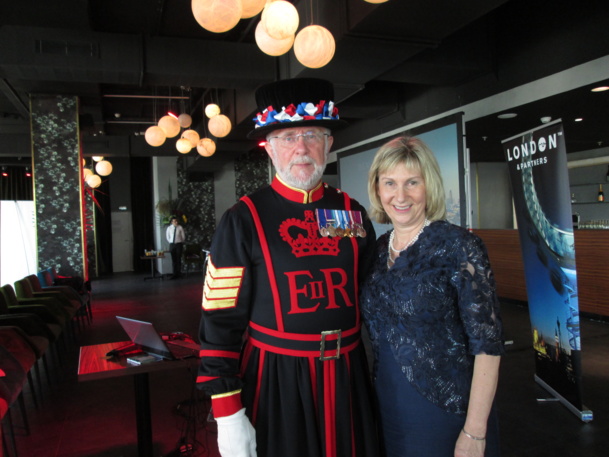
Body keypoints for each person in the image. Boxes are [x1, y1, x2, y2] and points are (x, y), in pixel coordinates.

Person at [196, 78, 379, 457]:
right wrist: (228, 413)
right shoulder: (242, 219)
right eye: (286, 136)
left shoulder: (350, 211)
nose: (301, 148)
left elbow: (372, 292)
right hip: (277, 381)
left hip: (350, 376)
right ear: (269, 148)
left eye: (312, 134)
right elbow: (219, 322)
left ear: (329, 143)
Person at [360, 136, 504, 457]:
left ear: (429, 186)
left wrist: (475, 432)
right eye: (390, 183)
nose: (400, 195)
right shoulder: (377, 250)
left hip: (446, 410)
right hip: (388, 404)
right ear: (377, 188)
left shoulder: (458, 247)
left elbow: (488, 346)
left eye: (412, 182)